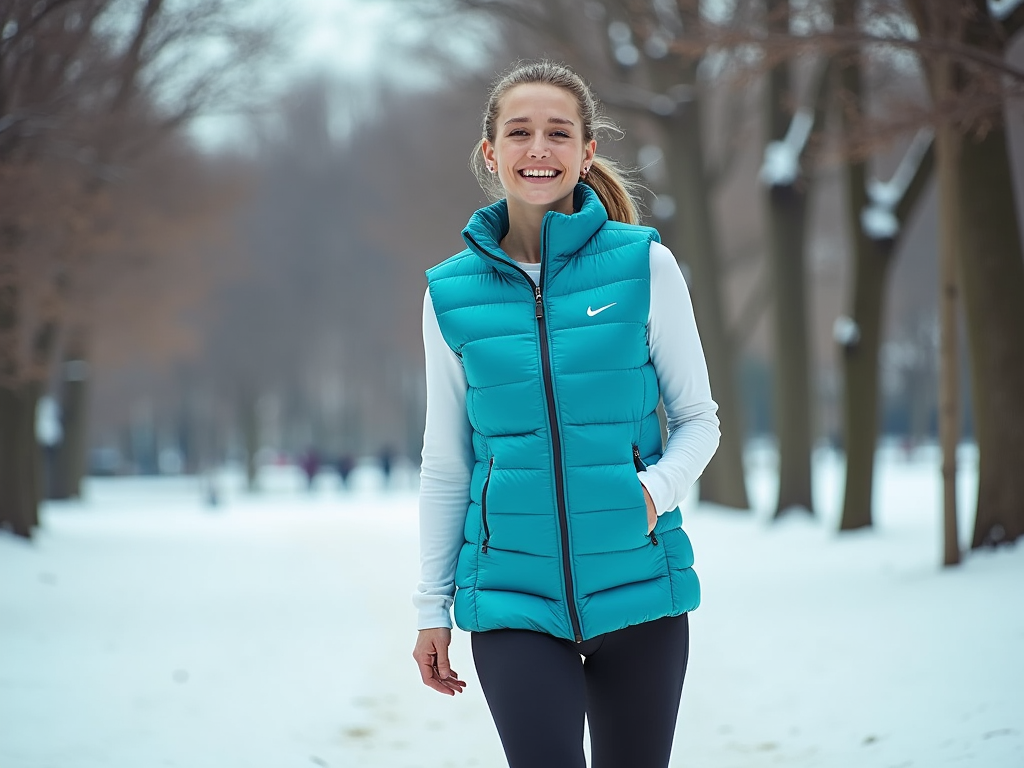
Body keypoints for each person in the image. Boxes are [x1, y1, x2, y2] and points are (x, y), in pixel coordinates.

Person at [412, 61, 720, 768]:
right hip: (511, 598)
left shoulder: (645, 267)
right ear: (492, 153)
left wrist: (653, 493)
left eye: (559, 133)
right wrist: (431, 606)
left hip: (640, 593)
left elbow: (698, 418)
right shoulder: (449, 295)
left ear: (587, 152)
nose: (539, 149)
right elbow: (446, 460)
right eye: (519, 133)